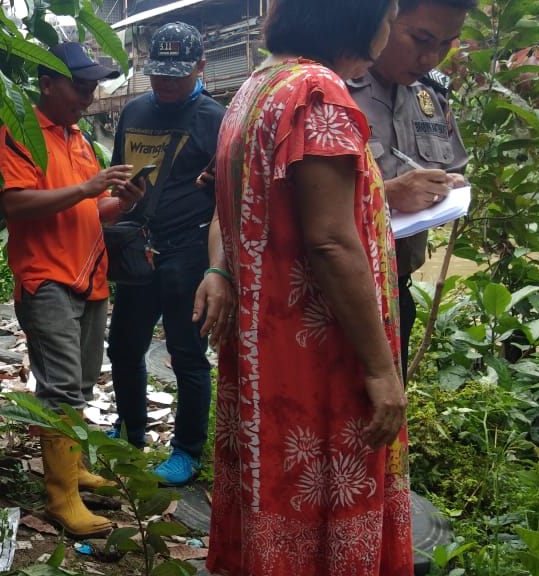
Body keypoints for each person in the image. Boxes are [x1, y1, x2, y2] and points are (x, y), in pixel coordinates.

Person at [206, 0, 412, 573]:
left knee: (272, 486)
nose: (390, 27)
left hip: (264, 352)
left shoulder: (256, 88)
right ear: (357, 21)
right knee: (323, 491)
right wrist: (380, 370)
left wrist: (219, 269)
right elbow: (330, 239)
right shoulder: (317, 92)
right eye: (390, 15)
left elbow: (242, 207)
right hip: (314, 355)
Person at [0, 42, 142, 538]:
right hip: (47, 277)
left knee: (79, 384)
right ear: (47, 84)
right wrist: (87, 187)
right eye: (80, 86)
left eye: (92, 86)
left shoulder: (78, 140)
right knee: (58, 389)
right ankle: (62, 498)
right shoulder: (20, 134)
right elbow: (16, 205)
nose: (89, 95)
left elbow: (84, 211)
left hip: (88, 276)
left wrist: (119, 202)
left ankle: (73, 470)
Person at [104, 22, 230, 486]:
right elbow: (119, 174)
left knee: (187, 354)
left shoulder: (216, 120)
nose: (166, 83)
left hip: (190, 250)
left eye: (177, 75)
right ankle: (131, 432)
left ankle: (186, 451)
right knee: (123, 346)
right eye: (159, 74)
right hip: (139, 247)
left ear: (200, 67)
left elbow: (227, 195)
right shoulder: (134, 110)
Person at [347, 0, 473, 381]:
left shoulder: (430, 98)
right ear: (385, 18)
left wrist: (449, 185)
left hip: (396, 288)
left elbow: (455, 167)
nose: (430, 57)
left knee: (387, 415)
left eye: (446, 44)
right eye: (421, 38)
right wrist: (384, 194)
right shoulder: (331, 89)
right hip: (334, 293)